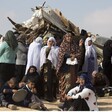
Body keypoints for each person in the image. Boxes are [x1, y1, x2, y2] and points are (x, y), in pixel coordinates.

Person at [56, 33, 81, 102]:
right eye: (68, 37)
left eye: (70, 37)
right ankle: (64, 98)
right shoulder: (63, 45)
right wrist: (70, 55)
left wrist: (75, 56)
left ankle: (71, 98)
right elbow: (61, 54)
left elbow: (79, 53)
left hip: (72, 68)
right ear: (65, 38)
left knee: (72, 82)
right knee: (65, 83)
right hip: (65, 68)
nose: (69, 38)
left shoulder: (74, 45)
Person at [40, 37, 59, 102]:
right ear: (47, 42)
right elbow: (42, 58)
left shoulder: (56, 49)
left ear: (54, 42)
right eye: (49, 41)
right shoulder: (43, 48)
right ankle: (45, 95)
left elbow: (56, 58)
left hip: (52, 67)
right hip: (45, 67)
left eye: (52, 41)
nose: (51, 42)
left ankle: (51, 96)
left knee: (52, 81)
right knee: (45, 81)